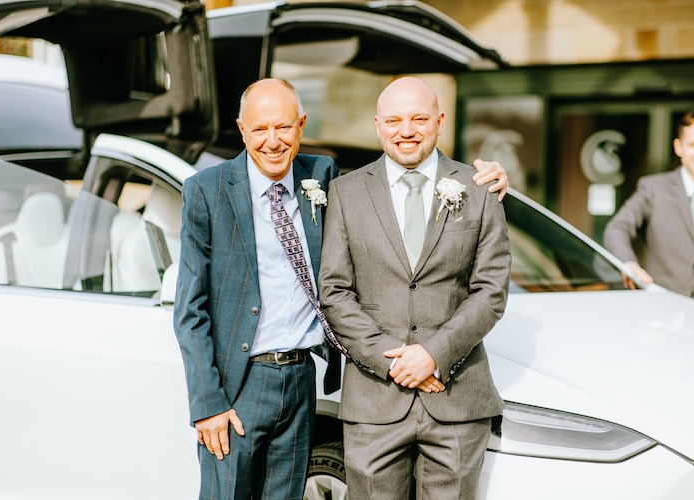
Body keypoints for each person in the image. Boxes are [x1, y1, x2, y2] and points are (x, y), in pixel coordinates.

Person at [173, 78, 511, 500]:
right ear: (242, 129)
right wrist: (208, 404)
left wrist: (494, 179)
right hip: (238, 384)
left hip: (301, 379)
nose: (273, 141)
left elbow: (476, 277)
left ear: (301, 125)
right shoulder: (206, 191)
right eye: (260, 129)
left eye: (284, 127)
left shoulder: (322, 175)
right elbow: (191, 310)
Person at [318, 76, 511, 499]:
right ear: (378, 126)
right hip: (375, 402)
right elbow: (334, 291)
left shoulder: (480, 188)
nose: (406, 130)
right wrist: (392, 361)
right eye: (394, 120)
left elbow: (491, 290)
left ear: (439, 121)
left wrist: (434, 355)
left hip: (457, 403)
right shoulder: (345, 192)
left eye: (419, 119)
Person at [604, 106, 694, 309]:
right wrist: (629, 264)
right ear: (678, 147)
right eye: (693, 144)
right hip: (663, 310)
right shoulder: (653, 189)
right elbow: (618, 227)